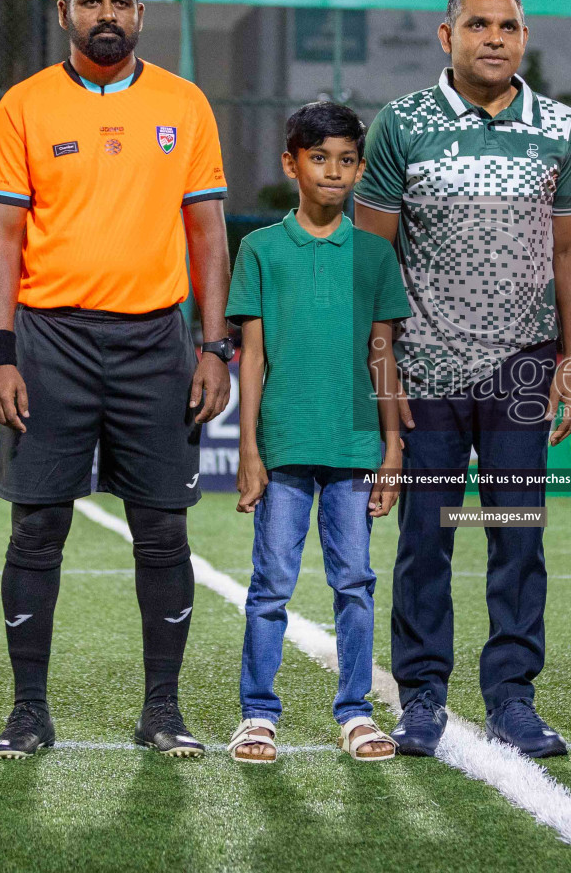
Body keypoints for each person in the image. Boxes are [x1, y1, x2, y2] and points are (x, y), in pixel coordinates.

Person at [0, 0, 231, 760]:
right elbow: (3, 236)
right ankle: (29, 711)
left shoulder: (185, 105)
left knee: (163, 531)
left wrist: (215, 346)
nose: (106, 14)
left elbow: (207, 235)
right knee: (37, 528)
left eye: (120, 1)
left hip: (156, 341)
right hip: (49, 342)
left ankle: (163, 710)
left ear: (140, 12)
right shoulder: (23, 106)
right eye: (91, 2)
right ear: (64, 14)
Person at [352, 0, 571, 758]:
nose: (495, 37)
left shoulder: (558, 127)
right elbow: (373, 255)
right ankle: (421, 697)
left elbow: (570, 251)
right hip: (423, 367)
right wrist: (378, 366)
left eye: (510, 26)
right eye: (479, 25)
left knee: (517, 536)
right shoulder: (403, 125)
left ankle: (514, 698)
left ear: (526, 37)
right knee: (426, 537)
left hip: (522, 367)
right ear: (444, 36)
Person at [223, 102, 411, 764]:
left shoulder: (373, 254)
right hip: (283, 449)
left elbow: (383, 354)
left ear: (360, 167)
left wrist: (392, 444)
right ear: (291, 163)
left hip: (357, 447)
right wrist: (248, 449)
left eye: (347, 160)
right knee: (270, 583)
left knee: (355, 582)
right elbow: (253, 356)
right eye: (319, 158)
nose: (334, 173)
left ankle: (356, 714)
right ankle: (258, 714)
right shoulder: (260, 250)